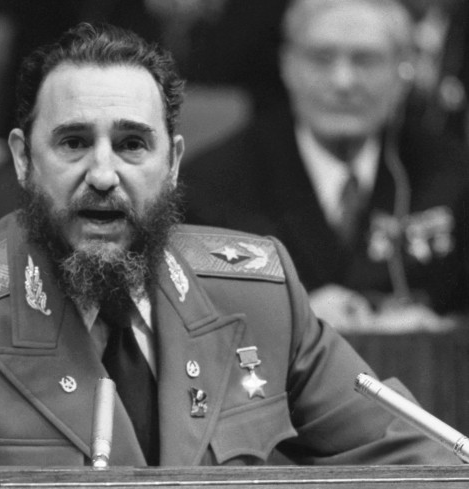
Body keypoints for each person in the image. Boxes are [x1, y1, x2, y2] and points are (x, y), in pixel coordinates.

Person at [0, 21, 460, 488]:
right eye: (74, 142)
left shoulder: (259, 293)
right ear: (23, 159)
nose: (103, 174)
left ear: (174, 162)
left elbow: (430, 465)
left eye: (132, 144)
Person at [180, 0, 469, 331]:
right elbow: (193, 322)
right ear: (287, 65)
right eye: (321, 58)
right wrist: (292, 321)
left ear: (404, 70)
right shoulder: (214, 182)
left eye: (365, 60)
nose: (343, 81)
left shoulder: (453, 175)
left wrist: (440, 329)